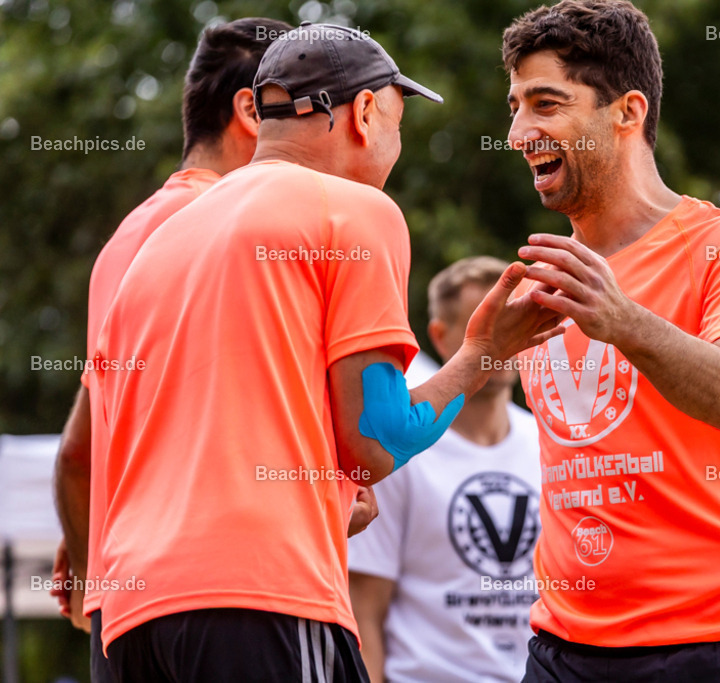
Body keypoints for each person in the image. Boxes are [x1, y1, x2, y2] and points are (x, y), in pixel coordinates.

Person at [90, 23, 562, 681]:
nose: (397, 147)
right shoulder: (353, 210)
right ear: (366, 113)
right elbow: (377, 438)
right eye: (400, 125)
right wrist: (483, 352)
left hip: (130, 610)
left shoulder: (160, 241)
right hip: (262, 595)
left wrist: (328, 489)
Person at [500, 1, 720, 680]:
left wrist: (623, 321)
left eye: (546, 103)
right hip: (564, 648)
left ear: (627, 111)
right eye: (515, 106)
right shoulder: (538, 279)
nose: (520, 131)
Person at [50, 16, 292, 682]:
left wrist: (93, 566)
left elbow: (77, 451)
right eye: (310, 109)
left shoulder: (128, 239)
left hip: (125, 611)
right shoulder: (240, 225)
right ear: (252, 109)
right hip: (237, 596)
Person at [349, 256, 543, 683]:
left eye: (513, 319)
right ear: (439, 335)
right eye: (486, 322)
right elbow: (365, 605)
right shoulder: (396, 458)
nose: (505, 338)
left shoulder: (550, 443)